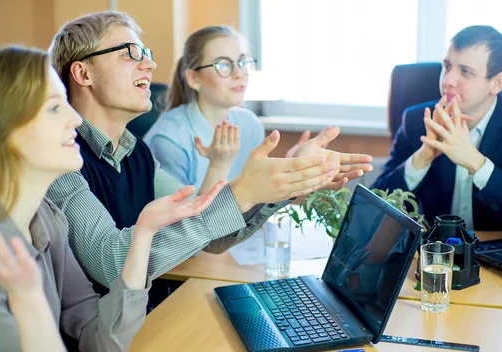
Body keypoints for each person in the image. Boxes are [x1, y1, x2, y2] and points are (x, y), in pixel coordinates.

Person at [0, 47, 224, 352]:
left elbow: (106, 342)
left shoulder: (46, 221)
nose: (75, 119)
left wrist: (143, 234)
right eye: (54, 108)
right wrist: (29, 301)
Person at [47, 11, 374, 290]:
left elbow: (209, 231)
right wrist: (244, 189)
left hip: (147, 319)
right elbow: (114, 266)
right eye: (130, 53)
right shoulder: (58, 160)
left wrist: (284, 181)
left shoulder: (136, 153)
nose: (150, 63)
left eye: (145, 52)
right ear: (83, 73)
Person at [373, 25, 502, 232]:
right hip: (435, 256)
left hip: (496, 255)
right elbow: (375, 206)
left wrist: (476, 162)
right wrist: (423, 158)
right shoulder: (417, 120)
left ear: (496, 83)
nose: (448, 80)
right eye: (447, 66)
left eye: (465, 72)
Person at [144, 25, 312, 193]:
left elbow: (255, 197)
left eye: (242, 62)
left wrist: (292, 168)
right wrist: (218, 166)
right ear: (194, 79)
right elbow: (183, 218)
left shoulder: (250, 124)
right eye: (223, 65)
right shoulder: (169, 139)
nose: (239, 73)